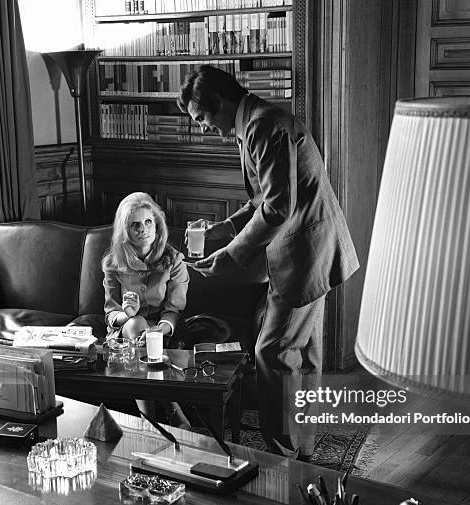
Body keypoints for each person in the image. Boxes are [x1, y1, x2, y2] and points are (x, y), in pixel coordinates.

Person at [177, 66, 359, 459]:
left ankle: (280, 456)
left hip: (303, 257)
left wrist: (228, 257)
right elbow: (261, 202)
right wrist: (221, 230)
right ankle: (303, 449)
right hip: (311, 251)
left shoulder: (263, 126)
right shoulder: (255, 125)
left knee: (272, 352)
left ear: (221, 103)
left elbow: (278, 208)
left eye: (203, 118)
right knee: (304, 356)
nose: (205, 128)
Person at [102, 192, 191, 428]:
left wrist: (159, 331)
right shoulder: (113, 263)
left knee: (147, 332)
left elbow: (174, 310)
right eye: (135, 225)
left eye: (148, 222)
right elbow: (111, 313)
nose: (143, 229)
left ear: (157, 225)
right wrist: (126, 314)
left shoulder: (174, 260)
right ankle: (167, 409)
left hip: (163, 331)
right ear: (125, 231)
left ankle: (151, 420)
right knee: (136, 324)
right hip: (127, 332)